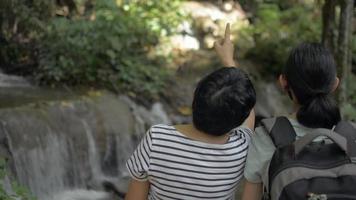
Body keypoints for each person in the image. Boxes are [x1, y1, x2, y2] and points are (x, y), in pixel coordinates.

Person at [124, 24, 256, 200]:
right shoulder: (240, 148)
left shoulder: (157, 139)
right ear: (241, 117)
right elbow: (249, 114)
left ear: (195, 98)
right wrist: (228, 60)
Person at [216, 41, 341, 200]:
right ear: (334, 84)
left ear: (283, 82)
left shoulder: (267, 136)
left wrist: (228, 62)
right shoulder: (349, 137)